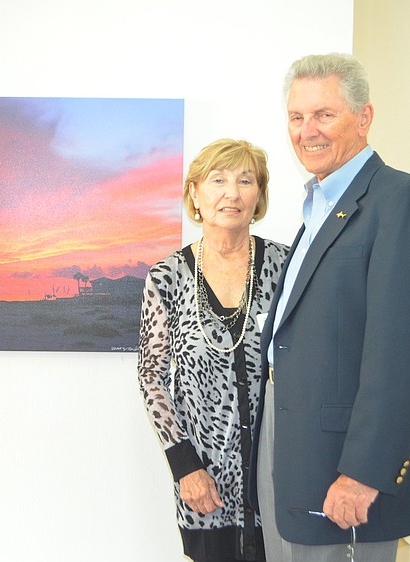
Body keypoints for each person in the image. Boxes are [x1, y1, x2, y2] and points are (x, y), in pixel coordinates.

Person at [249, 53, 410, 562]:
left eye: (324, 115)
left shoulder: (398, 200)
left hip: (345, 464)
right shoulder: (318, 205)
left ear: (364, 117)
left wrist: (364, 472)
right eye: (296, 117)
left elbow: (401, 353)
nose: (306, 131)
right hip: (294, 441)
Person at [138, 138, 289, 562]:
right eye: (218, 180)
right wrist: (184, 464)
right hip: (203, 475)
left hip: (277, 472)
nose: (232, 192)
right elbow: (150, 375)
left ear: (258, 195)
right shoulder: (166, 277)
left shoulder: (285, 266)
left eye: (246, 180)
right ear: (195, 193)